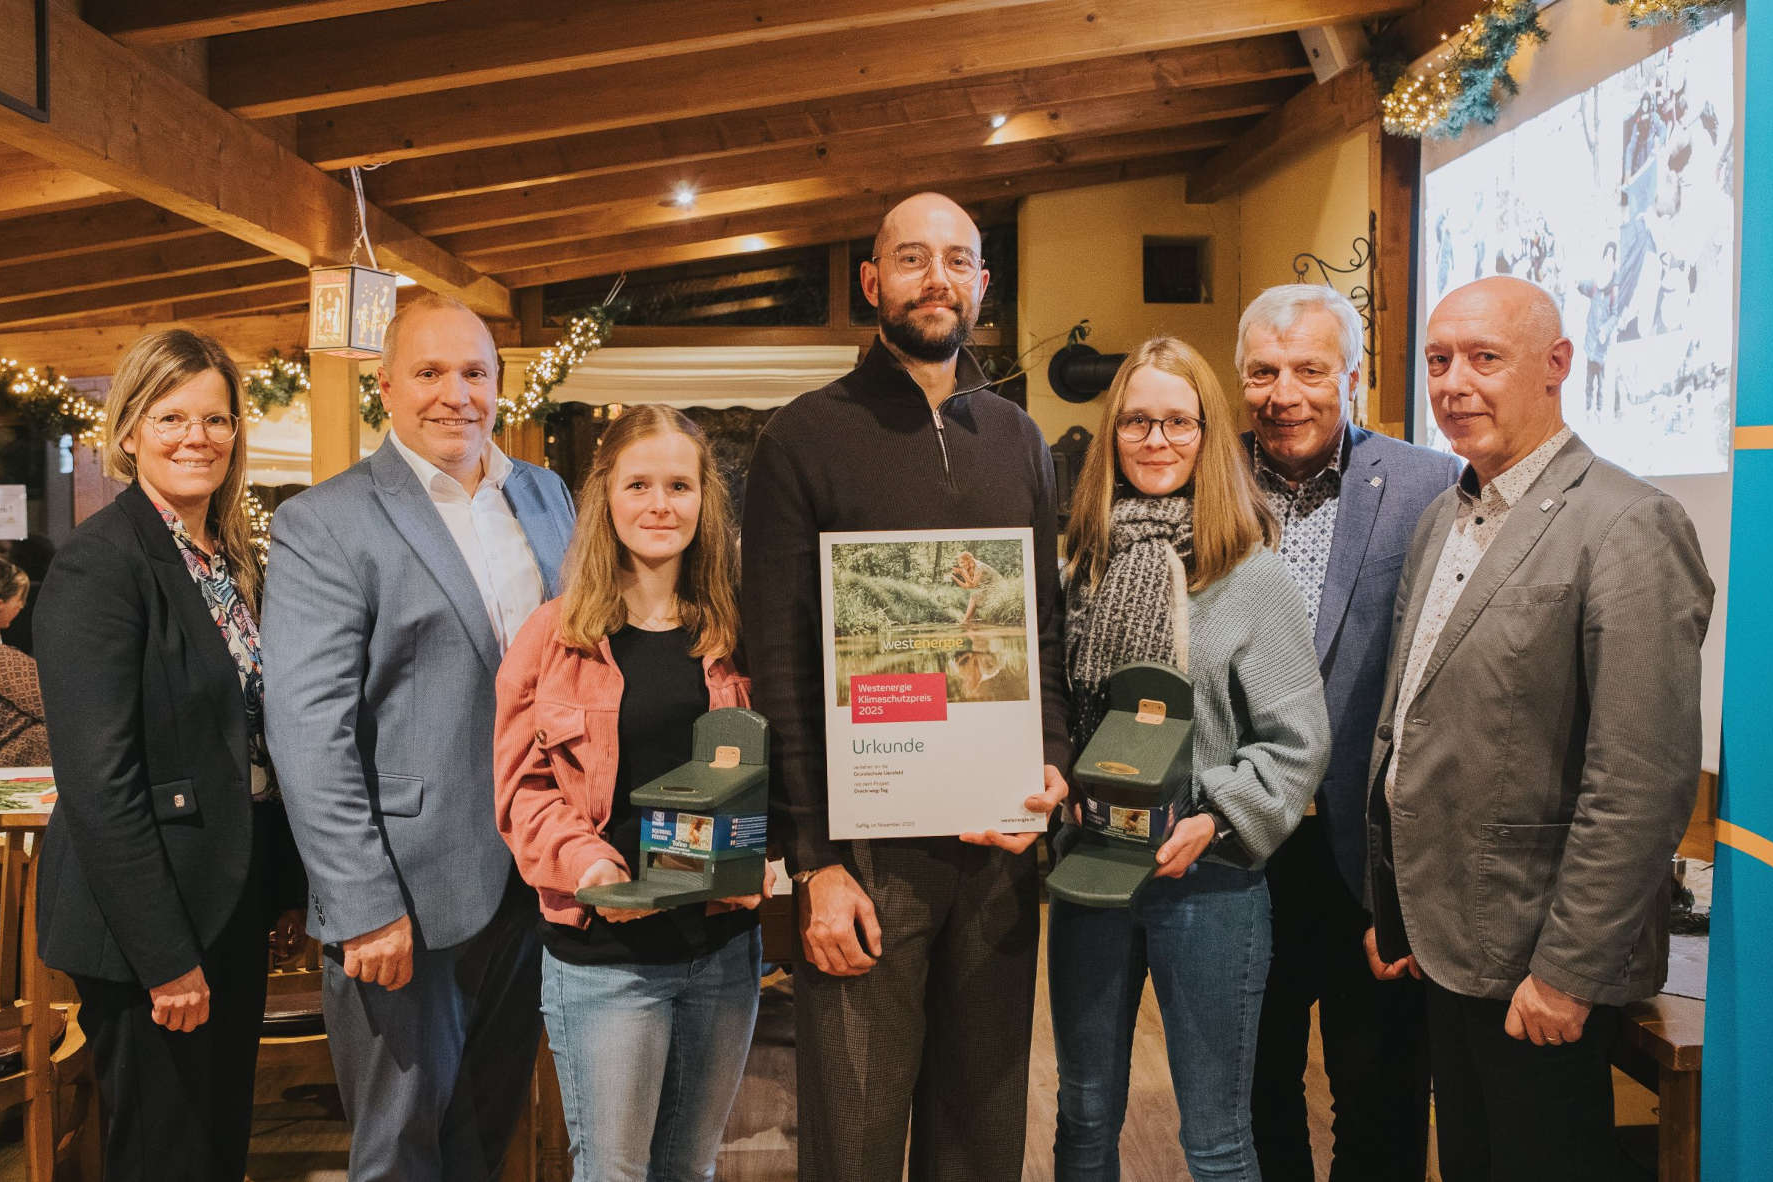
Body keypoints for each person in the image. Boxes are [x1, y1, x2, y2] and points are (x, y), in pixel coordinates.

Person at [741, 191, 1071, 1181]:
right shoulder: (801, 438)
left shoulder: (1018, 439)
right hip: (867, 856)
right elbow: (781, 665)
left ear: (983, 283)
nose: (938, 279)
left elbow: (1041, 634)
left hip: (998, 851)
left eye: (958, 260)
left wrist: (1048, 767)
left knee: (981, 1137)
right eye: (913, 258)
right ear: (871, 281)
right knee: (857, 1141)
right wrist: (815, 864)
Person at [1366, 277, 1713, 1182]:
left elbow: (1640, 778)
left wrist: (1567, 971)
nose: (1452, 383)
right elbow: (1410, 721)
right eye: (1438, 361)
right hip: (1444, 939)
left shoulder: (1630, 523)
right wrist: (1391, 904)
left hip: (1538, 956)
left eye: (1485, 358)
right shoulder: (1444, 513)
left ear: (1557, 367)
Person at [263, 293, 578, 1181]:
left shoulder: (545, 495)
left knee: (487, 1133)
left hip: (533, 876)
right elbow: (306, 727)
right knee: (401, 1150)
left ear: (499, 383)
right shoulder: (326, 520)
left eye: (474, 373)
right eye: (430, 373)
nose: (456, 395)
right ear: (387, 387)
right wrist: (362, 902)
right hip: (402, 890)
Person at [1050, 336, 1330, 1182]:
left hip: (1207, 885)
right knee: (1082, 1118)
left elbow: (1296, 742)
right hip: (1088, 875)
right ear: (1111, 436)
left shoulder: (1251, 574)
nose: (1157, 439)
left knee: (1212, 1136)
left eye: (1179, 421)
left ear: (1209, 436)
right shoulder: (1078, 567)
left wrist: (1211, 817)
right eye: (1137, 421)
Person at [31, 329, 307, 1180]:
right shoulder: (100, 564)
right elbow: (100, 784)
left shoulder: (225, 558)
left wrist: (282, 885)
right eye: (171, 416)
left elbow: (252, 735)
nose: (199, 437)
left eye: (217, 418)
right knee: (166, 1155)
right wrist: (166, 958)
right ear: (127, 432)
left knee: (216, 1146)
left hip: (226, 893)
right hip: (151, 924)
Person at [493, 406, 768, 1182]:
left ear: (703, 499)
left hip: (719, 950)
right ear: (604, 498)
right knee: (613, 1173)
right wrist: (585, 862)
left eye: (678, 485)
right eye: (638, 484)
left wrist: (767, 849)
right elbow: (522, 790)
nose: (659, 505)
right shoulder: (552, 636)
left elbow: (778, 773)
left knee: (691, 1169)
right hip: (605, 959)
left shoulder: (739, 634)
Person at [1237, 286, 1458, 1182]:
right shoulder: (1203, 479)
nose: (1282, 392)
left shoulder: (1427, 484)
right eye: (1261, 370)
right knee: (1253, 1089)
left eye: (1308, 370)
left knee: (1381, 1095)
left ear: (1353, 379)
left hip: (1368, 856)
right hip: (1239, 843)